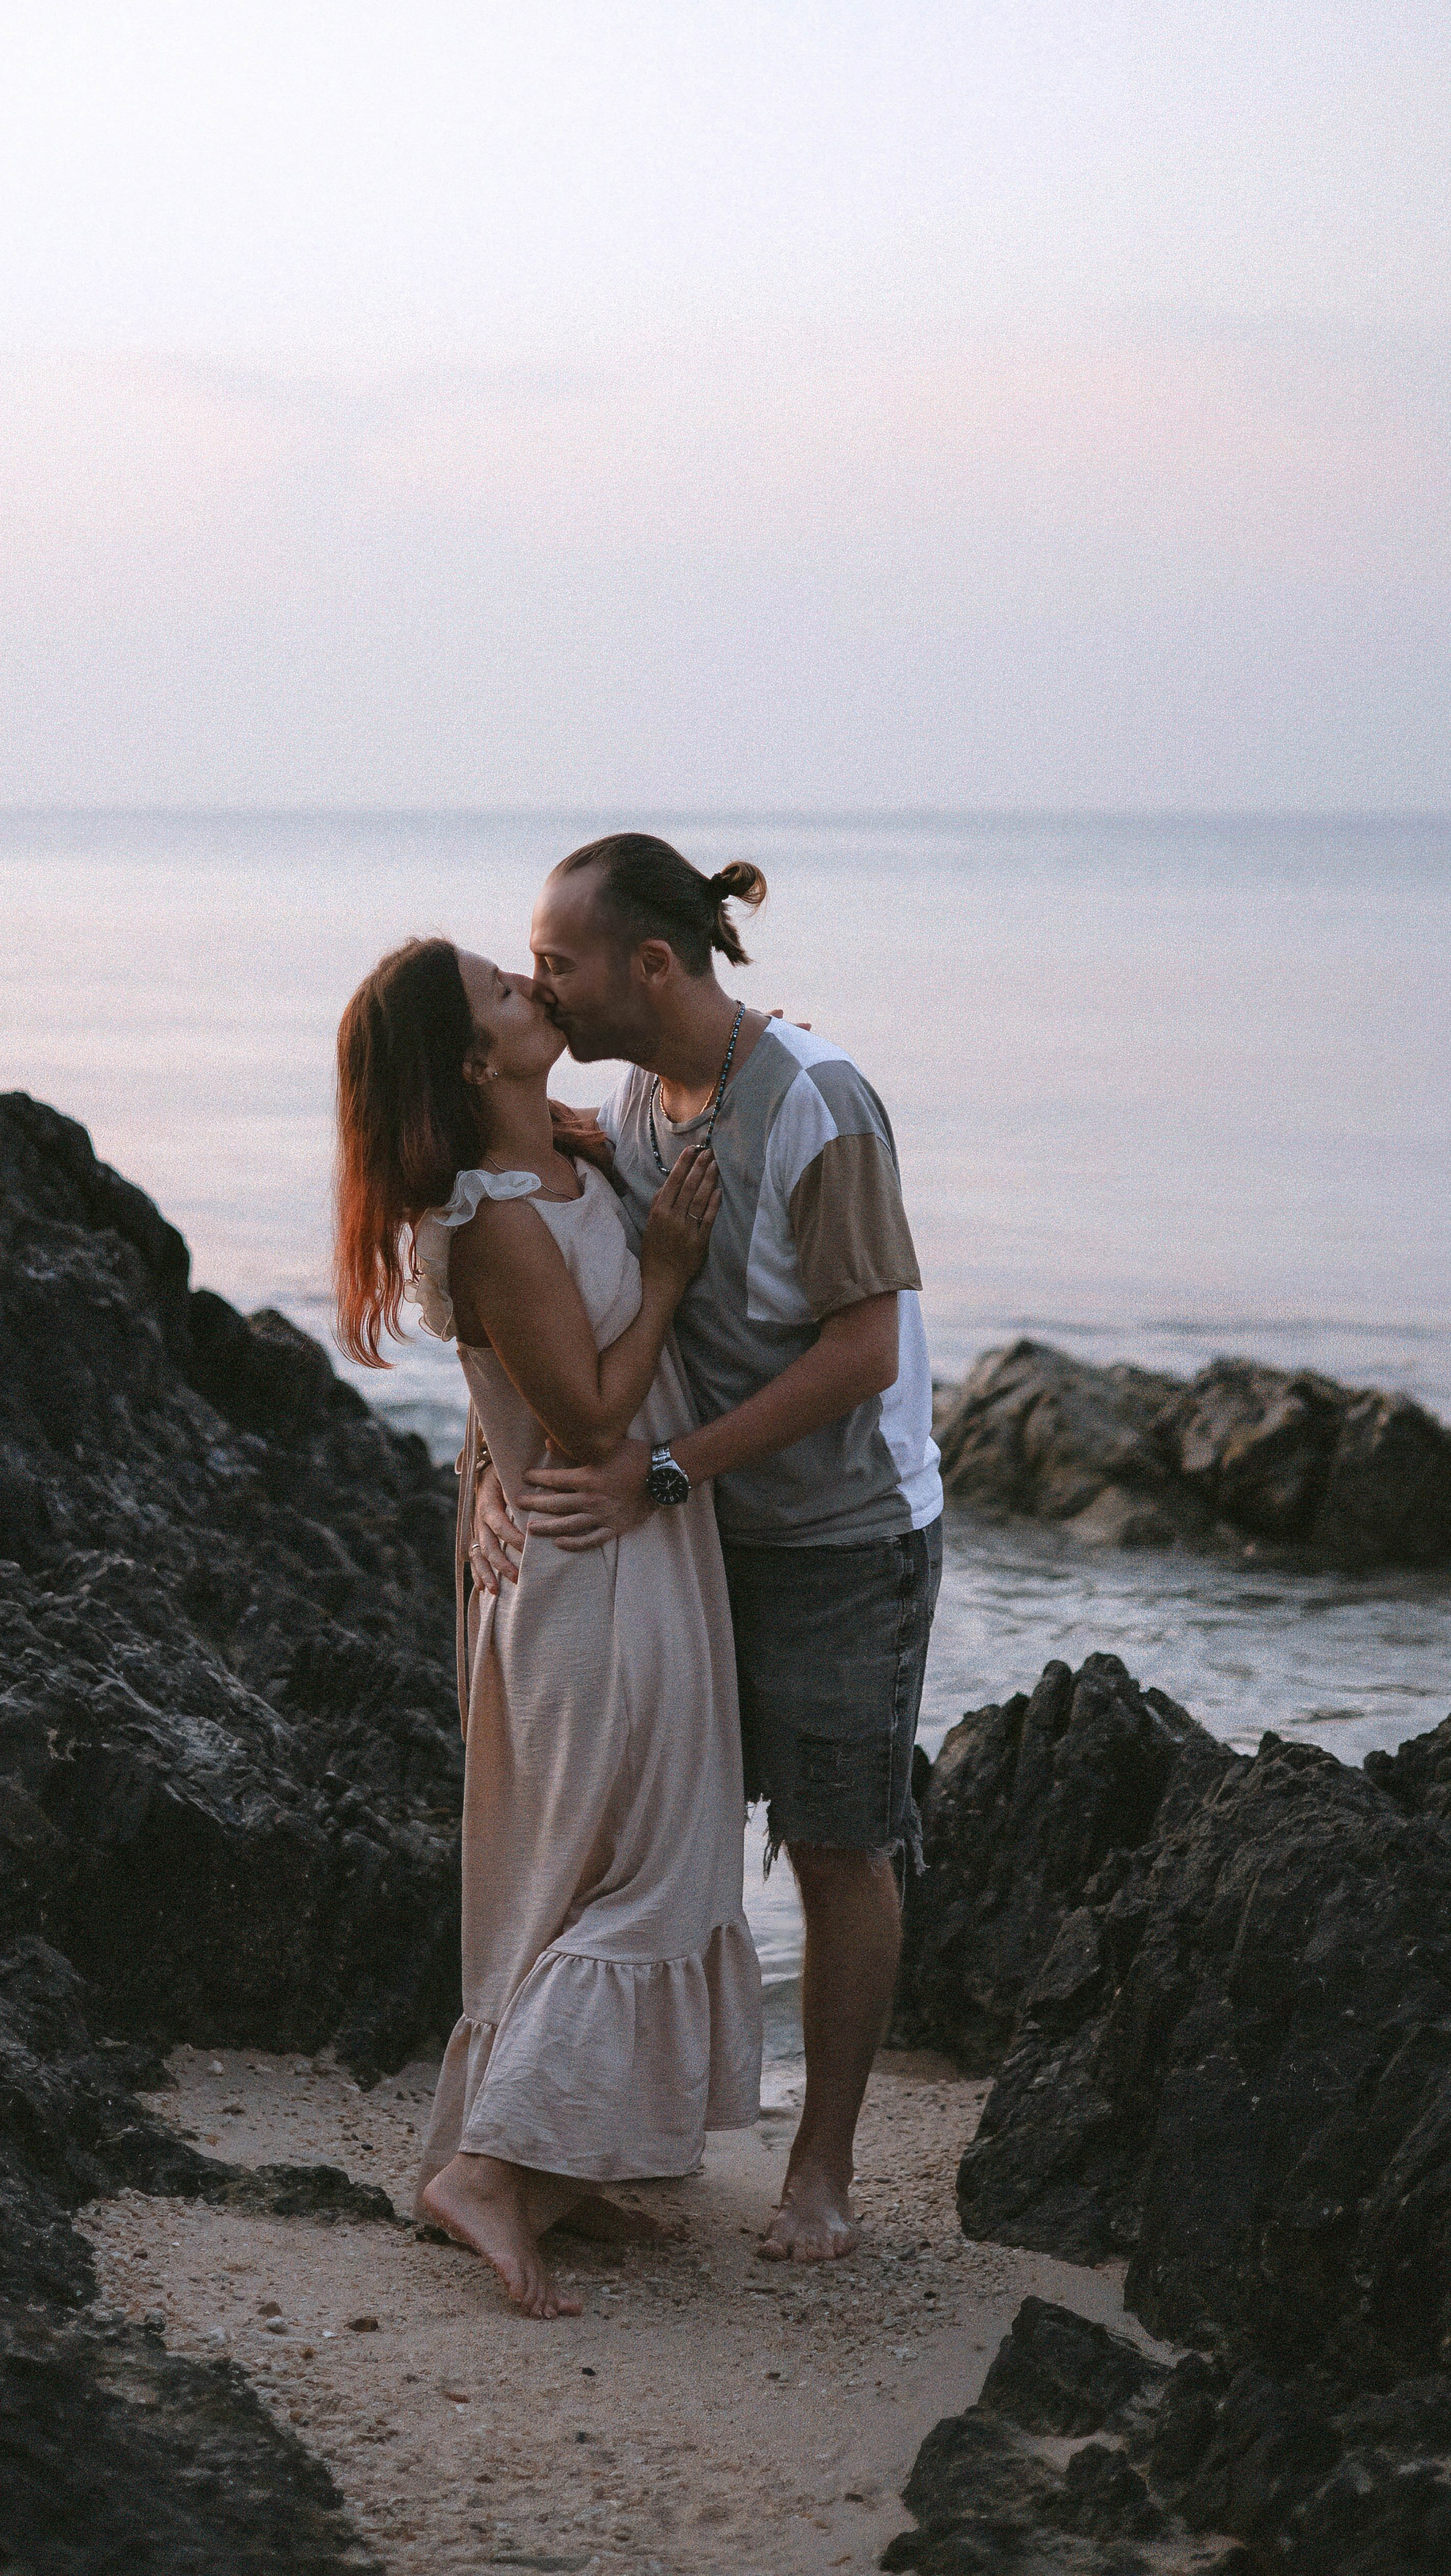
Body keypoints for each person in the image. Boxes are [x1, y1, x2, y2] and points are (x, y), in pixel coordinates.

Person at [469, 835, 941, 2266]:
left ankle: (818, 2170)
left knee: (834, 1841)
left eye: (556, 961)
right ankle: (608, 2136)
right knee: (649, 1831)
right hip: (689, 1532)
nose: (539, 982)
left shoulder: (819, 1104)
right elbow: (564, 1298)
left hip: (836, 1535)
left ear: (649, 966)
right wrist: (495, 1465)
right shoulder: (632, 1098)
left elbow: (861, 1355)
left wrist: (660, 1471)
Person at [333, 935, 763, 2320]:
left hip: (629, 1549)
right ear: (474, 1059)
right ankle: (494, 2175)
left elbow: (516, 1381)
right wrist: (677, 1268)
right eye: (505, 993)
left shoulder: (566, 1155)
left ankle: (551, 2167)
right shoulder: (497, 1213)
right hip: (600, 1567)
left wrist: (754, 1050)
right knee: (648, 1873)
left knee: (598, 1875)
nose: (535, 992)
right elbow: (587, 1415)